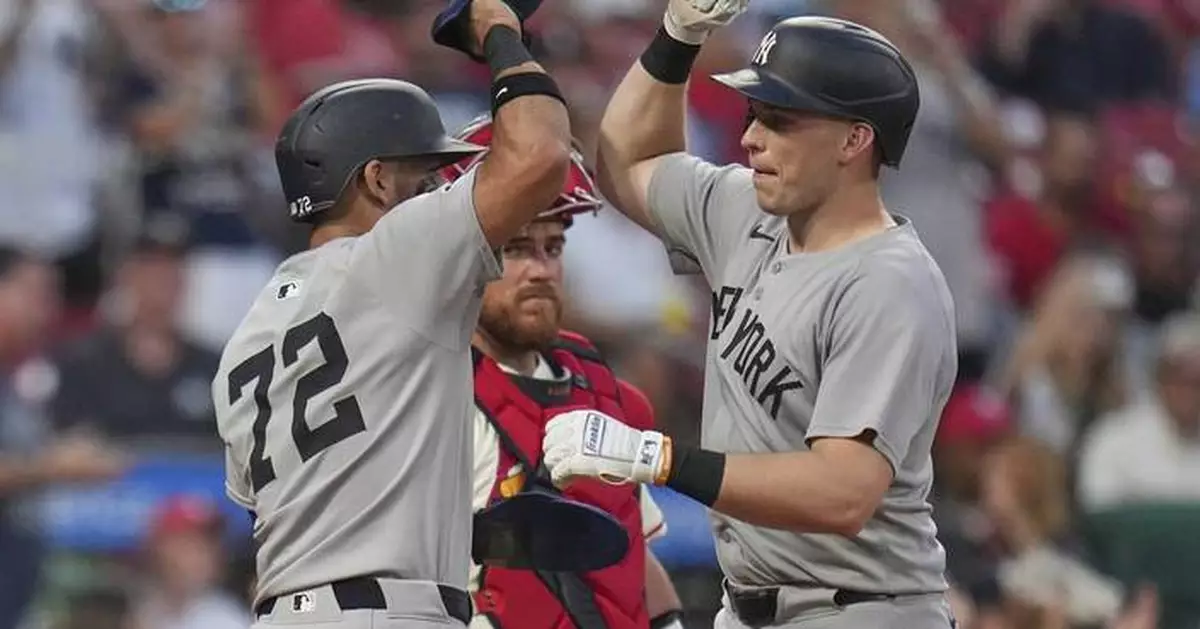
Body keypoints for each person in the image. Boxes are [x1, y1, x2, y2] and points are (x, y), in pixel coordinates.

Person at [541, 6, 959, 629]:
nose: (751, 138)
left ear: (854, 139)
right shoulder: (749, 209)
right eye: (754, 115)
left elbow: (842, 493)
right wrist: (677, 38)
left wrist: (659, 459)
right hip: (746, 606)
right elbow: (625, 164)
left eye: (781, 120)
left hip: (860, 608)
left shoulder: (889, 283)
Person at [211, 0, 573, 626]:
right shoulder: (393, 256)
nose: (439, 190)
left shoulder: (250, 334)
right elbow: (541, 155)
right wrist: (503, 38)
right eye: (426, 177)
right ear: (378, 181)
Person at [437, 115, 685, 629]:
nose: (541, 269)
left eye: (553, 247)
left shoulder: (596, 382)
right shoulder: (428, 390)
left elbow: (630, 555)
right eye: (517, 249)